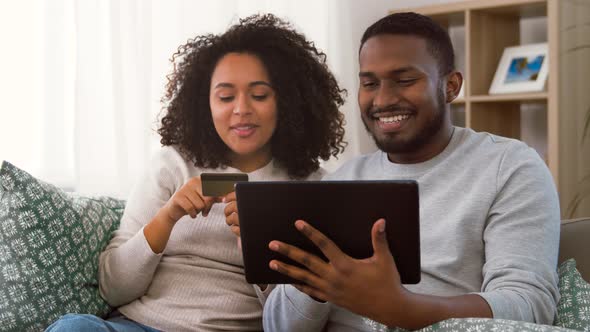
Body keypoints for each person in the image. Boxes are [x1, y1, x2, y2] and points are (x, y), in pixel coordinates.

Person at [45, 13, 346, 332]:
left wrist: (256, 244)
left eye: (259, 95)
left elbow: (295, 325)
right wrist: (167, 216)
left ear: (288, 101)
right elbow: (113, 287)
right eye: (225, 96)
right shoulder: (171, 165)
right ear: (205, 104)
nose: (241, 109)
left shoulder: (312, 187)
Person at [262, 12, 560, 331]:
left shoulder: (509, 167)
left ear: (450, 86)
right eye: (369, 83)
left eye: (405, 80)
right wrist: (315, 286)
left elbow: (529, 307)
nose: (384, 99)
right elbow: (277, 326)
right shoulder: (342, 181)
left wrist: (401, 309)